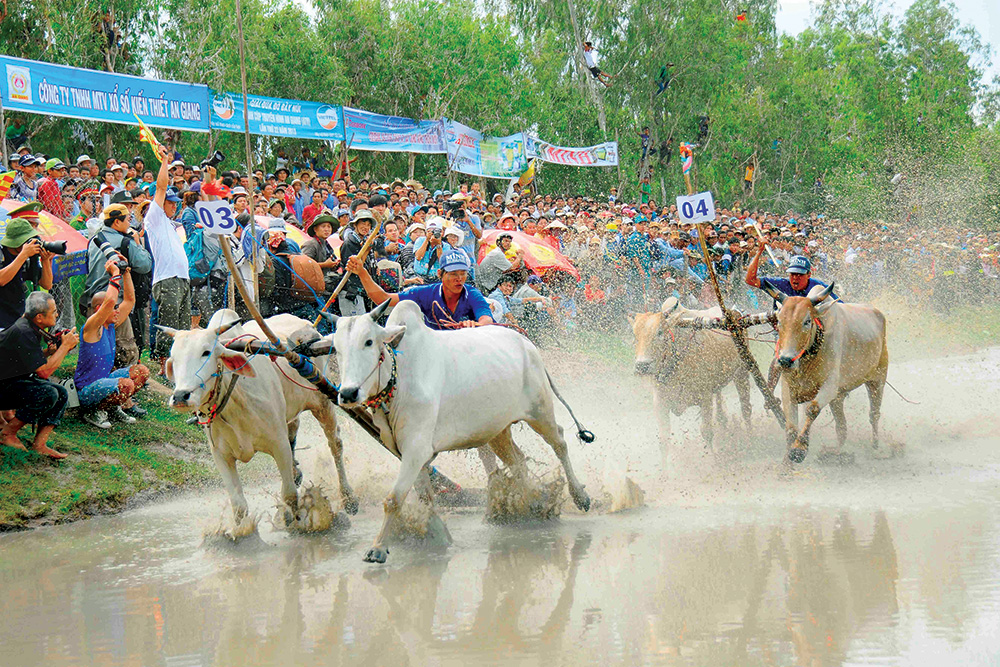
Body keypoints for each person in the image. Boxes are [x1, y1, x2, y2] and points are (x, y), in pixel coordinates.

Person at [0, 291, 77, 459]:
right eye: (54, 311)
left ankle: (39, 444)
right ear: (40, 317)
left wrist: (48, 353)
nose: (57, 314)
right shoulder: (24, 331)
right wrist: (64, 347)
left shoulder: (29, 326)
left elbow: (25, 360)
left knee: (61, 393)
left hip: (11, 381)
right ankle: (7, 433)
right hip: (4, 386)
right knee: (48, 393)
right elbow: (43, 372)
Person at [75, 255, 149, 428]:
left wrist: (125, 272)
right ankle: (93, 411)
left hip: (105, 381)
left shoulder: (110, 325)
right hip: (87, 390)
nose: (117, 310)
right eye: (115, 307)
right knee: (126, 384)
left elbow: (130, 300)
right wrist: (114, 274)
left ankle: (111, 407)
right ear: (101, 309)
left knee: (142, 372)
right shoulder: (92, 327)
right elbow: (109, 301)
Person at [345, 249, 494, 329]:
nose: (459, 278)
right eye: (453, 274)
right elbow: (383, 299)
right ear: (439, 274)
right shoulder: (424, 293)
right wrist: (362, 273)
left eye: (463, 274)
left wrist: (476, 325)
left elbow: (487, 319)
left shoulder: (472, 294)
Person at [147, 145, 192, 365]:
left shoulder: (172, 225)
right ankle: (164, 364)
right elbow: (161, 186)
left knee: (182, 328)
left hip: (182, 279)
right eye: (170, 202)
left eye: (176, 203)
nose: (174, 206)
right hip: (168, 280)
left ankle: (178, 363)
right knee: (169, 324)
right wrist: (165, 162)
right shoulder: (154, 218)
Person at [0, 205, 54, 329]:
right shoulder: (2, 253)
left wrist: (46, 261)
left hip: (19, 318)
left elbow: (47, 284)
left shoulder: (29, 257)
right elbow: (1, 280)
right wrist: (23, 255)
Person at [744, 244, 838, 301]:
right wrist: (759, 251)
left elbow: (839, 304)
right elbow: (750, 280)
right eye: (792, 274)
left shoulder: (818, 287)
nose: (795, 278)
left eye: (800, 275)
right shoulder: (781, 284)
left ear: (809, 275)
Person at [338, 209, 385, 316]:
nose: (366, 227)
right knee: (355, 327)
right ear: (355, 224)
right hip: (351, 291)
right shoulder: (350, 242)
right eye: (363, 223)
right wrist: (367, 250)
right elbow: (354, 269)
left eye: (368, 225)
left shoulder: (365, 241)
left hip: (362, 291)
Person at [302, 213, 341, 293]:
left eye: (329, 226)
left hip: (324, 285)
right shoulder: (311, 244)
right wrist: (325, 264)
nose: (326, 229)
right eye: (323, 226)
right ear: (315, 229)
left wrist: (334, 265)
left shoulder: (326, 245)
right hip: (313, 288)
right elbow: (304, 266)